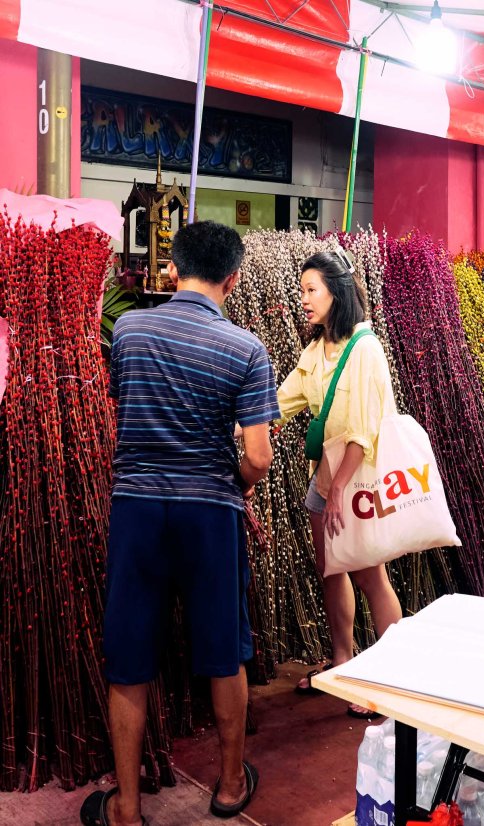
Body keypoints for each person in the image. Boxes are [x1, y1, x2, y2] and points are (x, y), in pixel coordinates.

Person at [80, 221, 280, 826]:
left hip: (137, 510)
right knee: (223, 651)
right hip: (210, 515)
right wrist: (234, 482)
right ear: (234, 278)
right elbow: (260, 458)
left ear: (173, 269)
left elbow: (123, 408)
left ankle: (128, 807)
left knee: (130, 655)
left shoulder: (130, 332)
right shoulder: (247, 350)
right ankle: (225, 786)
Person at [277, 249, 403, 719]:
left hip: (358, 479)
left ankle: (389, 679)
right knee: (332, 569)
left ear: (337, 290)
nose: (303, 298)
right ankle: (342, 662)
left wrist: (338, 494)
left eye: (312, 289)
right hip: (325, 478)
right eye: (302, 289)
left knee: (370, 575)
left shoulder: (365, 349)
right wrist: (238, 420)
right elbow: (284, 399)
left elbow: (363, 431)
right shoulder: (317, 349)